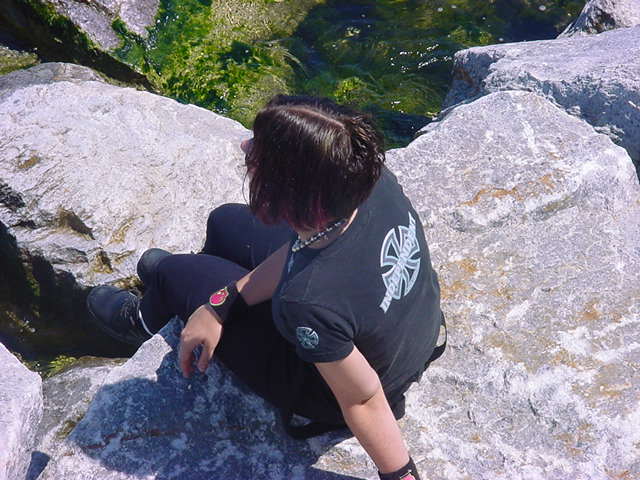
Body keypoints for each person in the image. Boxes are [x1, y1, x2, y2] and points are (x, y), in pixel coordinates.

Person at [87, 95, 444, 480]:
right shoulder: (366, 180)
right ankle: (197, 277)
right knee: (224, 221)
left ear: (292, 187)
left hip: (334, 382)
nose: (245, 146)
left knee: (173, 272)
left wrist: (401, 474)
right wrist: (222, 303)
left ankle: (144, 319)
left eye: (259, 151)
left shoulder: (307, 302)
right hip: (408, 329)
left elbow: (363, 399)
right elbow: (307, 245)